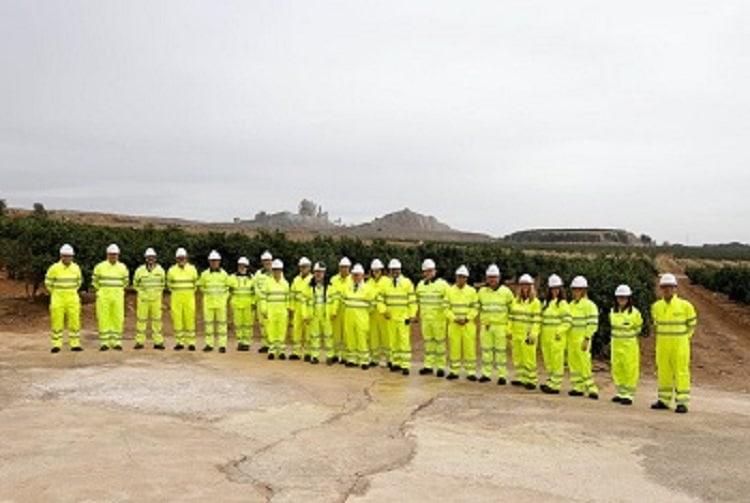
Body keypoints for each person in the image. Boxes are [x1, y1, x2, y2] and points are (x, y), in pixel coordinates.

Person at [651, 273, 697, 414]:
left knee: (681, 372)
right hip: (663, 346)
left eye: (670, 287)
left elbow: (692, 325)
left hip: (680, 346)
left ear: (675, 288)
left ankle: (682, 402)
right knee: (664, 372)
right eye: (664, 287)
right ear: (660, 289)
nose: (667, 290)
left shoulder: (685, 306)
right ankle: (664, 400)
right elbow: (656, 325)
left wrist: (684, 339)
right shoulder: (656, 307)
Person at [378, 258, 417, 375]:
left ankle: (405, 365)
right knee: (393, 341)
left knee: (404, 341)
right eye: (393, 270)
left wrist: (412, 315)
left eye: (397, 270)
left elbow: (412, 301)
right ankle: (395, 363)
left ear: (400, 270)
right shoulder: (385, 284)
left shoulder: (407, 283)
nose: (395, 272)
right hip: (391, 317)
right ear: (389, 271)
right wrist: (384, 311)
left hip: (403, 317)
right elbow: (380, 300)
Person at [477, 264, 514, 384]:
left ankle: (502, 375)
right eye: (490, 277)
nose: (492, 280)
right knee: (486, 351)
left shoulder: (506, 292)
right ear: (487, 279)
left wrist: (509, 328)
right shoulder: (482, 292)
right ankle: (486, 374)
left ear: (499, 278)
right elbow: (477, 307)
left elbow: (512, 311)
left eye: (494, 277)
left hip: (501, 327)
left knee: (500, 352)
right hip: (486, 327)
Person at [45, 244, 83, 353]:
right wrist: (57, 292)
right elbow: (48, 283)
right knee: (57, 321)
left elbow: (79, 282)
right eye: (65, 256)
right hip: (58, 298)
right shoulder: (54, 268)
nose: (67, 258)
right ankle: (56, 344)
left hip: (72, 297)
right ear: (61, 256)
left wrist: (71, 291)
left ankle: (75, 344)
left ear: (72, 257)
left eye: (69, 256)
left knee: (74, 321)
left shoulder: (76, 268)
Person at [339, 263, 378, 369]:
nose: (356, 277)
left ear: (362, 275)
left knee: (362, 339)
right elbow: (342, 301)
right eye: (354, 275)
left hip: (362, 318)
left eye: (358, 275)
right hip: (349, 317)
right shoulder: (346, 288)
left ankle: (364, 361)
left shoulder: (368, 289)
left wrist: (364, 313)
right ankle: (352, 359)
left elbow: (373, 304)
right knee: (350, 338)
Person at [415, 258, 450, 377]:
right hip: (426, 320)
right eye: (426, 271)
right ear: (423, 272)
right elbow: (417, 301)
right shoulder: (420, 285)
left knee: (440, 344)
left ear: (435, 271)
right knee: (428, 343)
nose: (428, 273)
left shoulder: (442, 284)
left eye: (430, 271)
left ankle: (440, 367)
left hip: (438, 320)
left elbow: (449, 300)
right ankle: (428, 366)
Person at [610, 284, 643, 406]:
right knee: (617, 368)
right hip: (616, 346)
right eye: (619, 298)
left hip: (629, 347)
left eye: (624, 298)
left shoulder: (635, 313)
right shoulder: (612, 312)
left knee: (630, 369)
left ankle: (629, 394)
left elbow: (639, 327)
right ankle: (620, 392)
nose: (621, 300)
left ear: (629, 298)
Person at [92, 244, 129, 351]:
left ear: (118, 255)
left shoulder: (122, 267)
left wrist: (117, 291)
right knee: (104, 319)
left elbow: (125, 282)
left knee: (118, 318)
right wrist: (102, 291)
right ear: (107, 255)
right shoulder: (100, 267)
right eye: (111, 254)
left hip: (117, 297)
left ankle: (117, 342)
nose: (113, 256)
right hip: (104, 297)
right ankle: (105, 342)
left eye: (115, 255)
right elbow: (95, 282)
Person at [567, 276, 600, 399]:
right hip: (571, 340)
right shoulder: (571, 305)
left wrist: (587, 338)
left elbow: (592, 324)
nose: (576, 292)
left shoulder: (589, 305)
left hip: (582, 340)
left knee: (584, 363)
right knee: (574, 364)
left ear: (584, 291)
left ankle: (591, 388)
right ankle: (577, 387)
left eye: (579, 289)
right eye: (574, 289)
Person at [445, 265, 479, 381]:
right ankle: (454, 371)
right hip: (454, 325)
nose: (461, 279)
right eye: (459, 277)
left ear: (466, 278)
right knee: (454, 348)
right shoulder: (449, 291)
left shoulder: (472, 291)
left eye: (463, 277)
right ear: (456, 277)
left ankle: (471, 372)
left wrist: (467, 318)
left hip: (468, 325)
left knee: (469, 349)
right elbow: (445, 308)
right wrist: (454, 318)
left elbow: (475, 308)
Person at [508, 274, 542, 389]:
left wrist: (534, 333)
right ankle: (521, 377)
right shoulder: (515, 301)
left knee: (529, 358)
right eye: (522, 285)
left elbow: (537, 320)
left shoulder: (535, 302)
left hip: (528, 335)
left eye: (527, 285)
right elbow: (511, 317)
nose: (525, 287)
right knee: (518, 357)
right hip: (516, 334)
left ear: (531, 286)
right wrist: (509, 330)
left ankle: (531, 380)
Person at [539, 274, 571, 394]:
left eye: (557, 289)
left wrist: (559, 331)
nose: (555, 291)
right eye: (553, 289)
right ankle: (551, 381)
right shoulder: (546, 304)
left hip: (557, 338)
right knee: (549, 361)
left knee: (557, 361)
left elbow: (568, 321)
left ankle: (555, 385)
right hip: (546, 338)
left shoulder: (562, 304)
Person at [132, 247, 166, 350]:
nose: (150, 259)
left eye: (152, 257)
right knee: (141, 321)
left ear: (155, 258)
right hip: (143, 300)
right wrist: (141, 293)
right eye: (148, 257)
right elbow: (135, 284)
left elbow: (163, 284)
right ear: (145, 258)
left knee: (157, 321)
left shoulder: (160, 270)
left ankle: (158, 342)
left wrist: (157, 293)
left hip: (156, 299)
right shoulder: (139, 270)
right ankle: (139, 342)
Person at [198, 250, 231, 352]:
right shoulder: (204, 274)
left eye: (216, 261)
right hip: (208, 303)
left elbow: (228, 288)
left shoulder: (224, 275)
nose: (214, 263)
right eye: (212, 261)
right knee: (208, 324)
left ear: (219, 262)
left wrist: (224, 299)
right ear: (209, 262)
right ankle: (209, 344)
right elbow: (201, 287)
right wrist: (207, 295)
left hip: (221, 303)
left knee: (222, 324)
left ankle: (222, 345)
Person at [167, 247, 199, 351]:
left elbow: (195, 284)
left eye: (183, 258)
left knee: (189, 320)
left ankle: (191, 343)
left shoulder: (192, 269)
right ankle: (179, 342)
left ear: (186, 258)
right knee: (177, 321)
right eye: (179, 258)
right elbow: (169, 285)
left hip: (189, 299)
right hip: (176, 299)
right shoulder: (171, 270)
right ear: (176, 259)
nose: (181, 260)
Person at [261, 259, 290, 360]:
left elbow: (288, 298)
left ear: (281, 271)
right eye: (275, 270)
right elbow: (263, 297)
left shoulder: (285, 284)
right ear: (272, 270)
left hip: (282, 310)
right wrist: (264, 309)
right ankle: (272, 350)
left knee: (281, 331)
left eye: (278, 270)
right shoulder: (267, 283)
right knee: (271, 330)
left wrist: (287, 309)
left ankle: (281, 351)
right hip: (271, 310)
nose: (276, 272)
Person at [329, 257, 353, 363]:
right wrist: (332, 310)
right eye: (342, 267)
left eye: (346, 267)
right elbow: (330, 296)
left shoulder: (353, 279)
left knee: (347, 334)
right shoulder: (333, 280)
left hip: (347, 310)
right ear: (339, 267)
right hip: (336, 311)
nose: (344, 269)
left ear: (349, 268)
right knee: (336, 334)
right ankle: (334, 354)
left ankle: (345, 356)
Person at [366, 259, 389, 367]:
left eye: (378, 271)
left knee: (385, 336)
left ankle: (386, 357)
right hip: (372, 314)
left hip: (383, 314)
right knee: (373, 336)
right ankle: (374, 357)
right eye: (374, 271)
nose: (376, 273)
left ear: (382, 271)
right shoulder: (368, 283)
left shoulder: (387, 282)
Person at [229, 257, 255, 351]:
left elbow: (255, 292)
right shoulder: (232, 278)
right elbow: (229, 289)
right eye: (240, 265)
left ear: (247, 266)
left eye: (243, 266)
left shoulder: (252, 278)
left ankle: (247, 342)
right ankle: (240, 342)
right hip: (237, 304)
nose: (241, 267)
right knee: (238, 324)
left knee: (247, 324)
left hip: (248, 305)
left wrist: (253, 302)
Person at [308, 262, 332, 365]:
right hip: (314, 315)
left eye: (321, 272)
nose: (318, 274)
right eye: (317, 272)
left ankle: (330, 356)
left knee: (328, 336)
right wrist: (307, 314)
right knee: (315, 336)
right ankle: (314, 356)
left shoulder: (330, 286)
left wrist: (332, 312)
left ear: (324, 273)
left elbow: (334, 301)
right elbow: (305, 301)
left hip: (326, 314)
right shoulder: (309, 286)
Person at [290, 257, 313, 360]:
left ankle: (308, 352)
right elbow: (292, 295)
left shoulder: (312, 280)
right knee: (297, 330)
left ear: (309, 267)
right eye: (302, 267)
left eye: (305, 267)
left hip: (308, 308)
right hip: (298, 308)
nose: (303, 269)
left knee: (308, 331)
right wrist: (291, 307)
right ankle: (296, 351)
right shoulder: (296, 280)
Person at [253, 251, 274, 353]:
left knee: (270, 324)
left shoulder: (276, 272)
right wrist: (261, 296)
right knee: (262, 324)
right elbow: (255, 286)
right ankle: (265, 344)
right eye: (265, 261)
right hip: (260, 302)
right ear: (262, 262)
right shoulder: (258, 274)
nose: (267, 262)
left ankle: (272, 344)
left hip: (271, 303)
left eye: (269, 260)